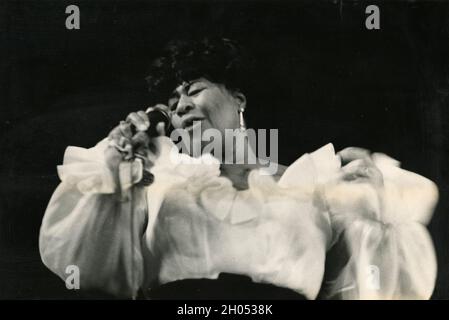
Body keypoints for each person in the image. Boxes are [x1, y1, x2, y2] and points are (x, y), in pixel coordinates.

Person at [39, 38, 439, 299]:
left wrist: (374, 199)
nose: (180, 106)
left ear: (239, 99)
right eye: (173, 101)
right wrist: (117, 169)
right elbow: (93, 272)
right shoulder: (158, 179)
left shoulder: (314, 184)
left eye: (194, 90)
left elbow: (377, 286)